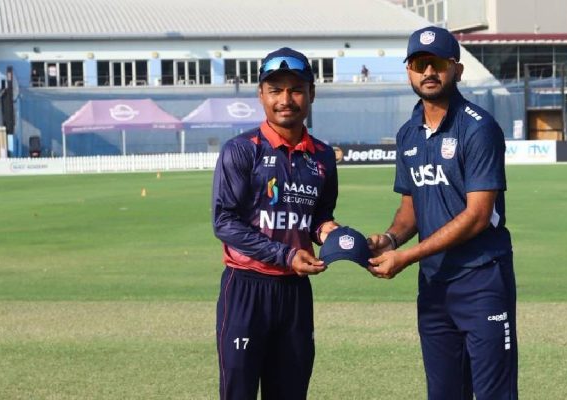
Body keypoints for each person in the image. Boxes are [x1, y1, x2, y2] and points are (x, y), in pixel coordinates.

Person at [367, 26, 518, 400]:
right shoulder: (408, 134)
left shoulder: (478, 129)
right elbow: (410, 209)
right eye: (420, 64)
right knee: (444, 393)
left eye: (437, 64)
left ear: (457, 70)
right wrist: (388, 239)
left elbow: (478, 215)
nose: (428, 72)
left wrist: (407, 256)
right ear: (409, 72)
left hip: (482, 280)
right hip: (434, 287)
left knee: (493, 394)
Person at [211, 47, 339, 400]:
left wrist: (328, 232)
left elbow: (318, 218)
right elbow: (224, 222)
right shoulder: (241, 149)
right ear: (261, 95)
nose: (286, 99)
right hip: (246, 289)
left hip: (295, 294)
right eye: (275, 90)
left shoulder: (324, 156)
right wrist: (285, 254)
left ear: (311, 93)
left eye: (296, 89)